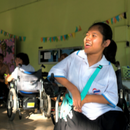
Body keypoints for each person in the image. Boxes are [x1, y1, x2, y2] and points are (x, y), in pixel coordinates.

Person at [47, 22, 127, 130]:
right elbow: (54, 72)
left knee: (119, 120)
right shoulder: (75, 57)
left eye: (94, 35)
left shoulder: (107, 68)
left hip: (101, 113)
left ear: (106, 43)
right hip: (76, 112)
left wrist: (86, 99)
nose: (88, 38)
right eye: (87, 35)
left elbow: (112, 97)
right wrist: (73, 88)